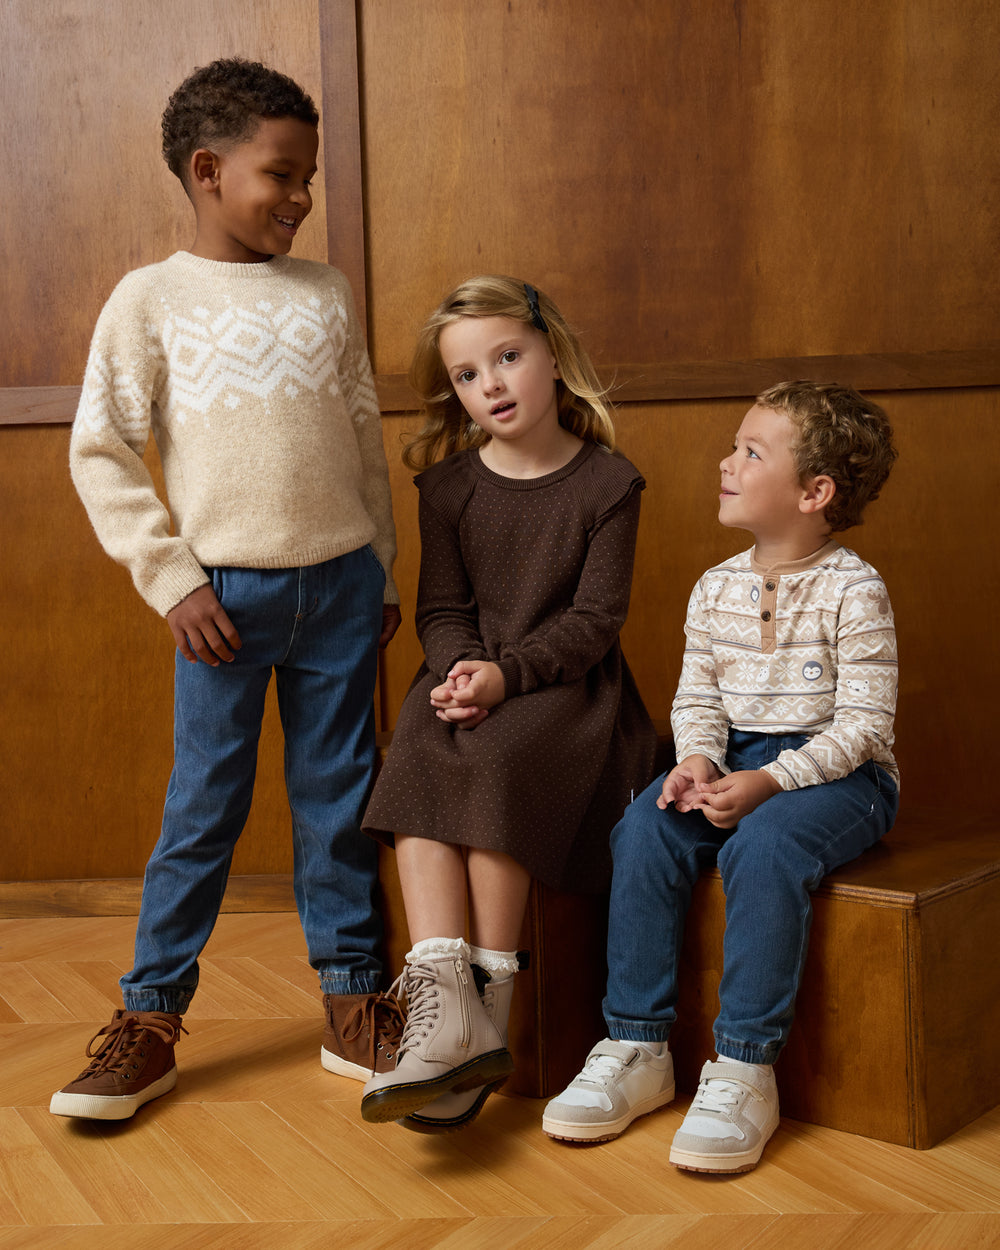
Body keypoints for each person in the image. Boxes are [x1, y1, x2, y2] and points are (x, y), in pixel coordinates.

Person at [51, 58, 403, 1122]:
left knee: (339, 803)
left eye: (306, 179)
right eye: (279, 176)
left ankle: (355, 1003)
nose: (299, 198)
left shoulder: (326, 291)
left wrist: (380, 563)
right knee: (203, 806)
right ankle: (150, 1017)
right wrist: (171, 579)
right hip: (221, 602)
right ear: (208, 170)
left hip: (341, 589)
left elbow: (359, 437)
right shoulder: (148, 300)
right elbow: (101, 450)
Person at [542, 380, 900, 1173]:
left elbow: (865, 727)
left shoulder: (855, 588)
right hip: (733, 759)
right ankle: (637, 1047)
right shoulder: (714, 588)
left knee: (764, 849)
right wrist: (697, 759)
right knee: (642, 828)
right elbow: (698, 696)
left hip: (839, 774)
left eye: (749, 452)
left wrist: (771, 783)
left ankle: (744, 1070)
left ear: (815, 492)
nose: (725, 461)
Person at [358, 275, 658, 1131]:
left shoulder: (607, 484)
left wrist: (506, 678)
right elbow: (442, 609)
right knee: (415, 751)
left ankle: (488, 1013)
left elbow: (596, 622)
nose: (489, 384)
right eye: (465, 374)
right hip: (468, 679)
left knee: (495, 761)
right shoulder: (449, 489)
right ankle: (443, 1017)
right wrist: (458, 669)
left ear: (553, 359)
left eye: (507, 358)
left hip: (568, 691)